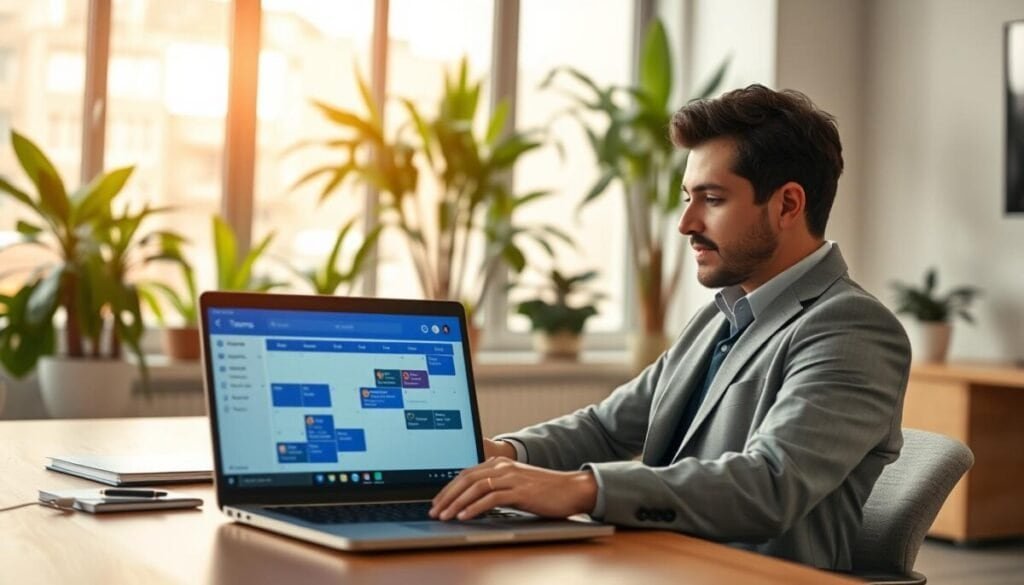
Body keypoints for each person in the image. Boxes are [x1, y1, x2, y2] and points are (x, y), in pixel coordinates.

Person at [429, 84, 911, 571]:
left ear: (787, 205)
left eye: (712, 199)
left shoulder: (852, 328)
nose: (685, 222)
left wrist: (580, 488)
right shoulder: (721, 315)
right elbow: (606, 427)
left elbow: (770, 484)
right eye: (687, 198)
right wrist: (498, 455)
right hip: (660, 564)